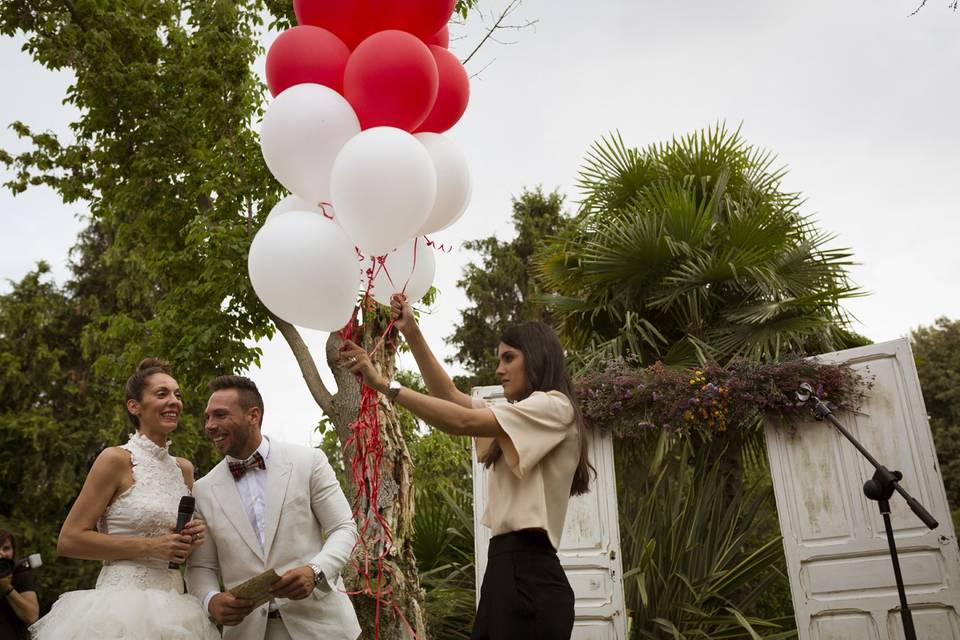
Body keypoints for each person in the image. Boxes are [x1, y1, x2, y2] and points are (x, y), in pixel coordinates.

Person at [340, 294, 593, 640]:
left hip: (528, 573)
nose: (500, 369)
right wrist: (412, 332)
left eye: (509, 358)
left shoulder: (553, 406)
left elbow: (460, 421)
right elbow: (448, 395)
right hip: (507, 570)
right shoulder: (519, 412)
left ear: (536, 357)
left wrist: (384, 385)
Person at [29, 357, 218, 639]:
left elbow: (177, 550)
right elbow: (69, 540)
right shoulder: (115, 460)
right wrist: (150, 547)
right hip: (120, 609)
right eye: (162, 394)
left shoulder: (184, 470)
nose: (174, 401)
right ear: (134, 406)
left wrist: (190, 540)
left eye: (177, 395)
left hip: (177, 604)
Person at [186, 375, 360, 640]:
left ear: (253, 415)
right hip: (247, 632)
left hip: (323, 628)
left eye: (220, 415)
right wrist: (211, 600)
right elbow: (201, 567)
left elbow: (344, 528)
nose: (210, 425)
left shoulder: (309, 461)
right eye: (208, 417)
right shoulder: (203, 489)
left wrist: (315, 571)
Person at [0, 530, 39, 640]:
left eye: (6, 548)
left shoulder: (20, 574)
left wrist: (7, 588)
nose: (1, 553)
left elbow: (32, 617)